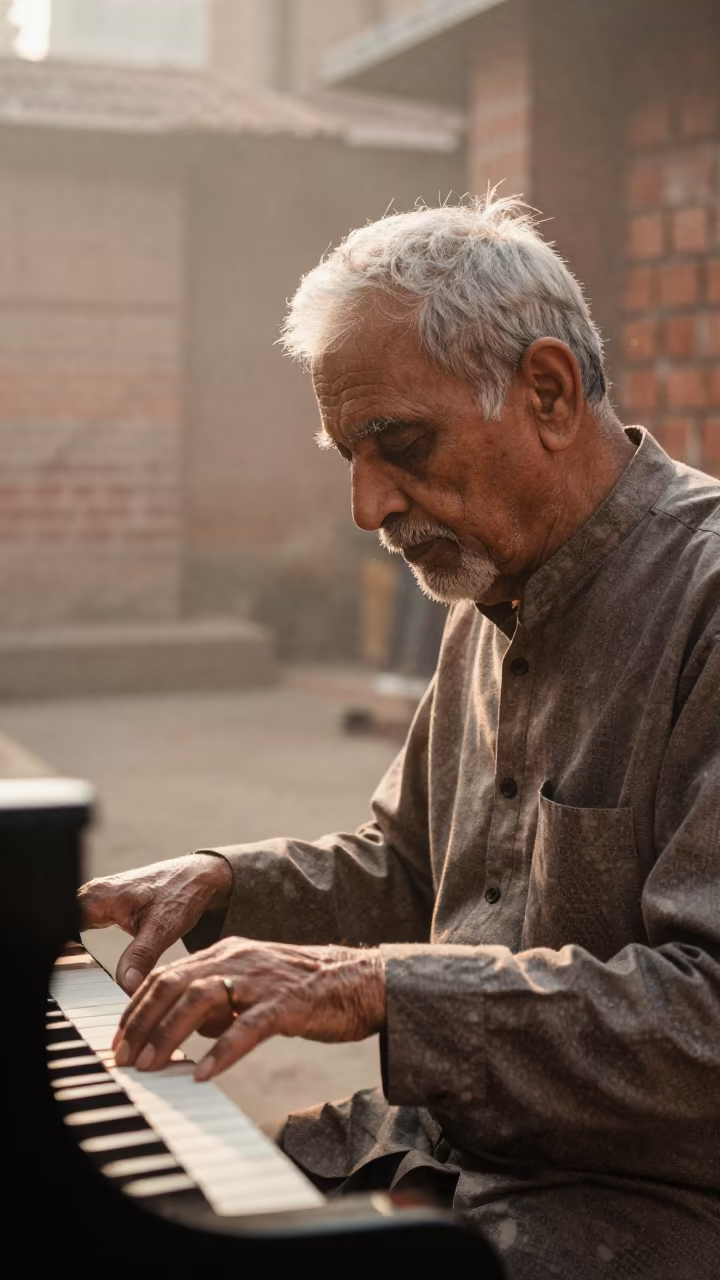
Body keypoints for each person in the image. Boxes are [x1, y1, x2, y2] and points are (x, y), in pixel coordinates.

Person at [79, 197, 720, 1279]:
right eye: (349, 454)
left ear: (550, 391)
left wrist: (370, 984)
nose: (368, 505)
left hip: (639, 1207)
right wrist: (223, 881)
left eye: (400, 445)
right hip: (443, 1149)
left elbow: (705, 1016)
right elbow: (416, 867)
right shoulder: (491, 589)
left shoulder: (703, 602)